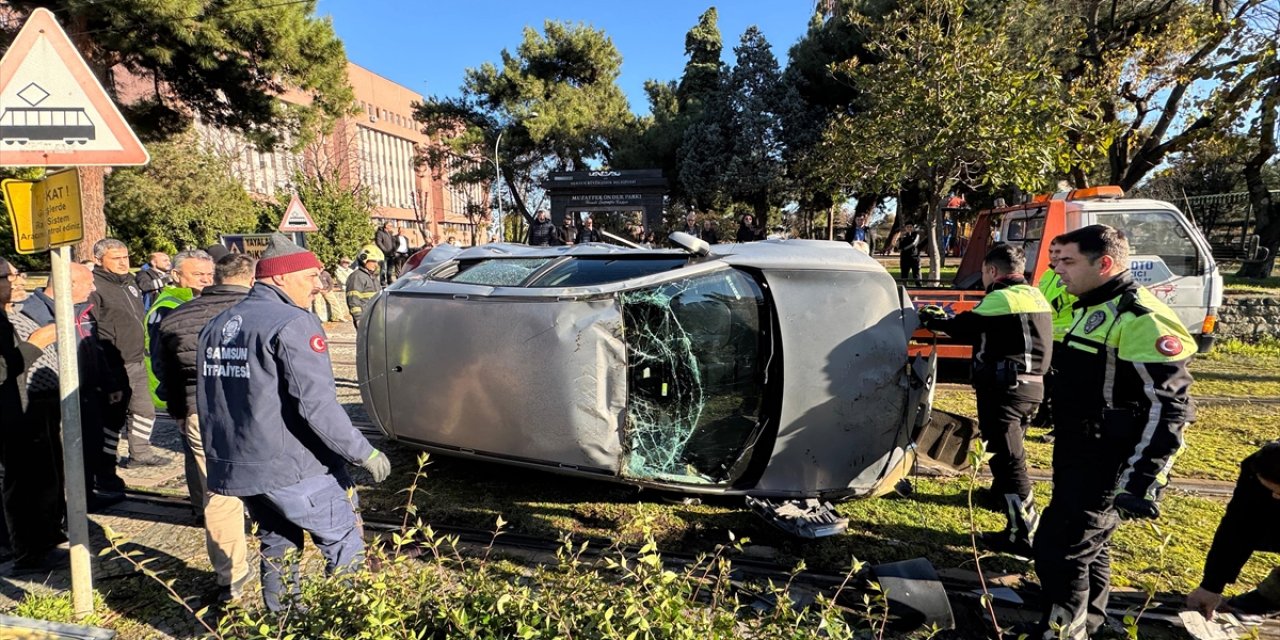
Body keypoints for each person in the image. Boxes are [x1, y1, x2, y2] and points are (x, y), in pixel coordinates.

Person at [198, 234, 391, 612]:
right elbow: (316, 406)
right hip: (294, 466)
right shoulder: (293, 323)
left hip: (246, 468)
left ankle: (285, 625)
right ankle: (348, 623)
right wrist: (362, 451)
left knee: (279, 547)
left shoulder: (219, 323)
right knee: (344, 543)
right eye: (310, 276)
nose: (318, 286)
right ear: (281, 278)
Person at [1031, 224, 1196, 640]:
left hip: (1107, 457)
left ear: (1104, 264)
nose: (1058, 271)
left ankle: (1063, 633)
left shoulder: (1139, 316)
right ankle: (1089, 623)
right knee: (1091, 547)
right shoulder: (1087, 305)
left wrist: (1142, 480)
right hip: (1077, 448)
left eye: (1067, 262)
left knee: (1061, 548)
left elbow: (1170, 406)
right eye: (1056, 262)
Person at [920, 244, 1052, 555]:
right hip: (1031, 390)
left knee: (1009, 461)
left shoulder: (1001, 298)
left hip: (1005, 392)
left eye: (983, 272)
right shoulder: (1033, 294)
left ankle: (1023, 532)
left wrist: (933, 318)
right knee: (1009, 451)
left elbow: (963, 328)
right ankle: (998, 497)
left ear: (992, 271)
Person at [154, 253, 256, 603]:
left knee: (219, 494)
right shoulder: (261, 312)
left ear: (215, 278)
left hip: (199, 413)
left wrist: (179, 413)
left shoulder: (175, 316)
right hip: (256, 411)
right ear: (250, 278)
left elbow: (163, 373)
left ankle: (231, 578)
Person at [20, 262, 129, 508]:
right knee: (60, 453)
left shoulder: (82, 310)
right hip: (55, 396)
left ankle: (85, 496)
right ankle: (63, 507)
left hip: (88, 392)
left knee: (88, 446)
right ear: (67, 284)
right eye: (88, 283)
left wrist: (109, 383)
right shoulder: (32, 313)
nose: (93, 288)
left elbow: (93, 347)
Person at [1, 258, 60, 573]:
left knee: (42, 477)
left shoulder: (9, 313)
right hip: (12, 413)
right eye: (9, 276)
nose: (18, 280)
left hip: (31, 405)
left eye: (17, 274)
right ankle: (28, 553)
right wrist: (34, 345)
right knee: (22, 483)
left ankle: (45, 541)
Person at [91, 238, 171, 468]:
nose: (123, 262)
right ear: (99, 260)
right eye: (116, 258)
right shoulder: (95, 286)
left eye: (125, 257)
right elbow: (91, 326)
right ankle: (105, 462)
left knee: (144, 409)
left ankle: (141, 454)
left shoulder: (131, 282)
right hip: (111, 361)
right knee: (112, 416)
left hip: (136, 359)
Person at [1185, 441, 1280, 620]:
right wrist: (1211, 586)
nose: (1275, 496)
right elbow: (1237, 527)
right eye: (1271, 491)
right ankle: (1271, 595)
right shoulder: (1258, 467)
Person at [144, 249, 215, 410]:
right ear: (176, 275)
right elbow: (159, 358)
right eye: (198, 274)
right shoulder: (167, 307)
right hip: (178, 395)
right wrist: (176, 400)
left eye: (210, 274)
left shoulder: (199, 301)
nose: (206, 280)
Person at [1032, 237, 1077, 437]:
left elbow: (1073, 303)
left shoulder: (1071, 275)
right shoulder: (1048, 274)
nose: (1053, 255)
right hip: (1047, 336)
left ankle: (1058, 426)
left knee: (1062, 386)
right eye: (1051, 251)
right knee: (1047, 381)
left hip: (1066, 338)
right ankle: (1044, 417)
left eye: (1058, 252)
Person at [345, 247, 382, 329]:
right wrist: (358, 318)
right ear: (364, 260)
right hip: (365, 318)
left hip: (374, 316)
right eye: (373, 261)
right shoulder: (357, 277)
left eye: (376, 262)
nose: (376, 265)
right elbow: (353, 299)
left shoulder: (372, 277)